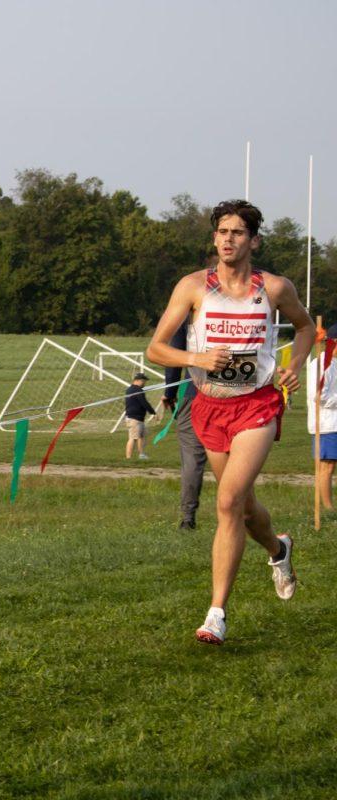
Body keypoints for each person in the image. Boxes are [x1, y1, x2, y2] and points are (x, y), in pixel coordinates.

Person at [147, 199, 314, 645]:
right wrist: (196, 357)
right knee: (242, 508)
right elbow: (156, 349)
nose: (227, 239)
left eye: (237, 232)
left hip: (257, 404)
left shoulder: (274, 289)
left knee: (226, 503)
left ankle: (216, 613)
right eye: (222, 231)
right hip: (208, 405)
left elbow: (305, 328)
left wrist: (294, 365)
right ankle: (278, 549)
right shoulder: (193, 287)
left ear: (254, 240)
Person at [161, 319, 206, 529]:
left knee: (192, 457)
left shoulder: (189, 306)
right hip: (239, 392)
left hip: (194, 392)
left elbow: (173, 355)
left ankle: (188, 517)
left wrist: (169, 393)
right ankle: (241, 511)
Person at [306, 323, 337, 509]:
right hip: (326, 423)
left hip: (336, 422)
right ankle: (328, 509)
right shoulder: (320, 364)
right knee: (327, 466)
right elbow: (319, 396)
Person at [124, 373, 157, 460]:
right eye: (143, 381)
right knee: (133, 438)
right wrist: (153, 413)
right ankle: (128, 457)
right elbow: (144, 402)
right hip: (134, 418)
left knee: (141, 437)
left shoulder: (130, 389)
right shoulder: (137, 390)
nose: (144, 383)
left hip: (138, 418)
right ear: (138, 380)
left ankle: (141, 454)